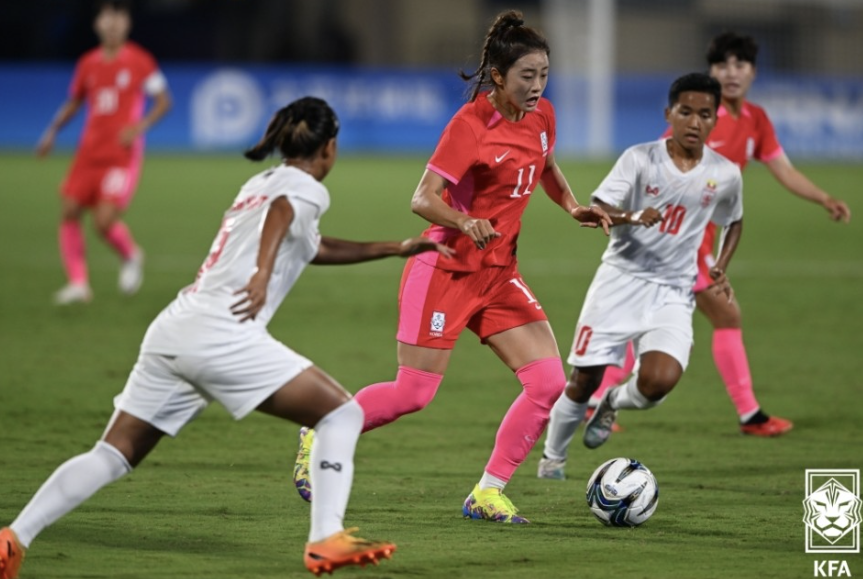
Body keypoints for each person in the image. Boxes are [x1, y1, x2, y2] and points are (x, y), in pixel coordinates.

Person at [0, 97, 454, 578]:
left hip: (176, 327)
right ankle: (325, 540)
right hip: (223, 332)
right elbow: (283, 214)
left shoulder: (259, 182)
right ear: (330, 148)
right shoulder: (303, 188)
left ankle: (13, 538)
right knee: (341, 414)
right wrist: (261, 274)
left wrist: (394, 248)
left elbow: (310, 245)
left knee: (112, 454)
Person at [291, 10, 612, 524]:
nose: (536, 86)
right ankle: (323, 426)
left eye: (543, 75)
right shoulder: (470, 126)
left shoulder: (543, 116)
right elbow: (422, 198)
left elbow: (545, 166)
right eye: (526, 76)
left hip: (499, 274)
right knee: (413, 393)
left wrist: (572, 205)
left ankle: (487, 492)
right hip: (444, 268)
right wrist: (466, 222)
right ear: (499, 76)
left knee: (548, 382)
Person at [574, 31, 851, 440]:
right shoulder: (699, 117)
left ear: (754, 72)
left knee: (664, 317)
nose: (731, 73)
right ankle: (747, 414)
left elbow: (784, 169)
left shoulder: (756, 119)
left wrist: (823, 197)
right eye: (723, 65)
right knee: (719, 315)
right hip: (678, 246)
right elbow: (652, 173)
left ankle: (601, 401)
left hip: (699, 245)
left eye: (740, 65)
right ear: (711, 71)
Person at [537, 73, 745, 480]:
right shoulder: (639, 159)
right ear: (669, 113)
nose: (694, 122)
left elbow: (734, 220)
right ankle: (552, 460)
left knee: (657, 384)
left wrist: (721, 263)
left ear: (715, 120)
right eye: (685, 112)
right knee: (582, 381)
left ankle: (612, 401)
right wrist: (631, 216)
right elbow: (596, 210)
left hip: (673, 291)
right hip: (620, 281)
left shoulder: (725, 173)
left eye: (705, 114)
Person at [36, 0, 172, 305]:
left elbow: (164, 101)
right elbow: (75, 101)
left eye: (118, 17)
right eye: (106, 17)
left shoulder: (140, 61)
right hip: (88, 152)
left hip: (121, 155)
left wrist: (140, 126)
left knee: (103, 220)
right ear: (97, 24)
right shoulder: (88, 63)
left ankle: (131, 254)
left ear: (127, 23)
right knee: (69, 211)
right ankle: (79, 284)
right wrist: (52, 132)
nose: (112, 23)